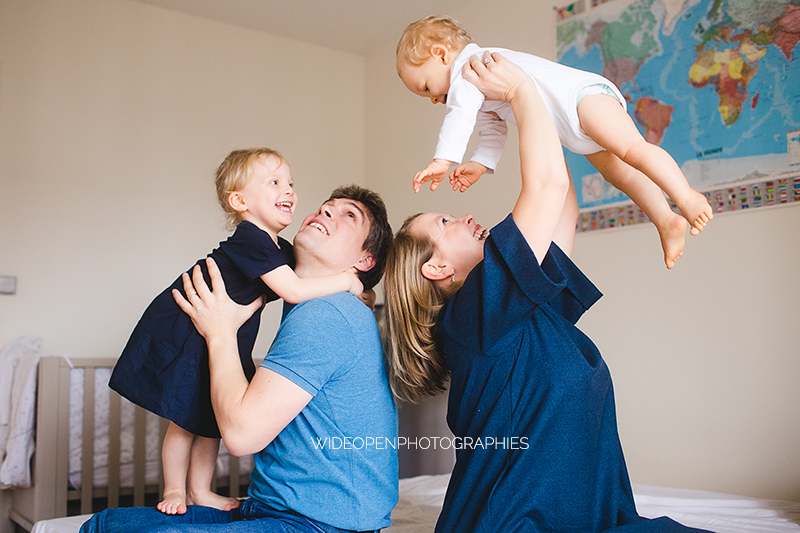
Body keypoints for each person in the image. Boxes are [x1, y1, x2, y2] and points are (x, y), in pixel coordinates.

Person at [383, 51, 710, 532]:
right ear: (435, 267)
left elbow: (564, 207)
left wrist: (544, 108)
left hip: (587, 516)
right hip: (515, 521)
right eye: (446, 222)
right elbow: (549, 185)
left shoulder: (522, 303)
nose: (467, 215)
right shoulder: (474, 314)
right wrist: (520, 92)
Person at [85, 184, 397, 533]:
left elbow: (241, 436)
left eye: (348, 215)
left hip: (320, 523)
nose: (326, 212)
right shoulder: (318, 304)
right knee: (108, 525)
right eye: (326, 206)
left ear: (364, 261)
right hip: (276, 508)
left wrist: (219, 332)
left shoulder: (327, 313)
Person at [397, 15, 713, 269]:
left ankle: (685, 196)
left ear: (440, 54)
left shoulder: (473, 67)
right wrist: (481, 163)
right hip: (568, 127)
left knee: (634, 150)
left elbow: (459, 115)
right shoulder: (479, 88)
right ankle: (665, 220)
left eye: (425, 87)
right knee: (620, 174)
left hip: (582, 99)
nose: (432, 99)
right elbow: (492, 129)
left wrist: (443, 160)